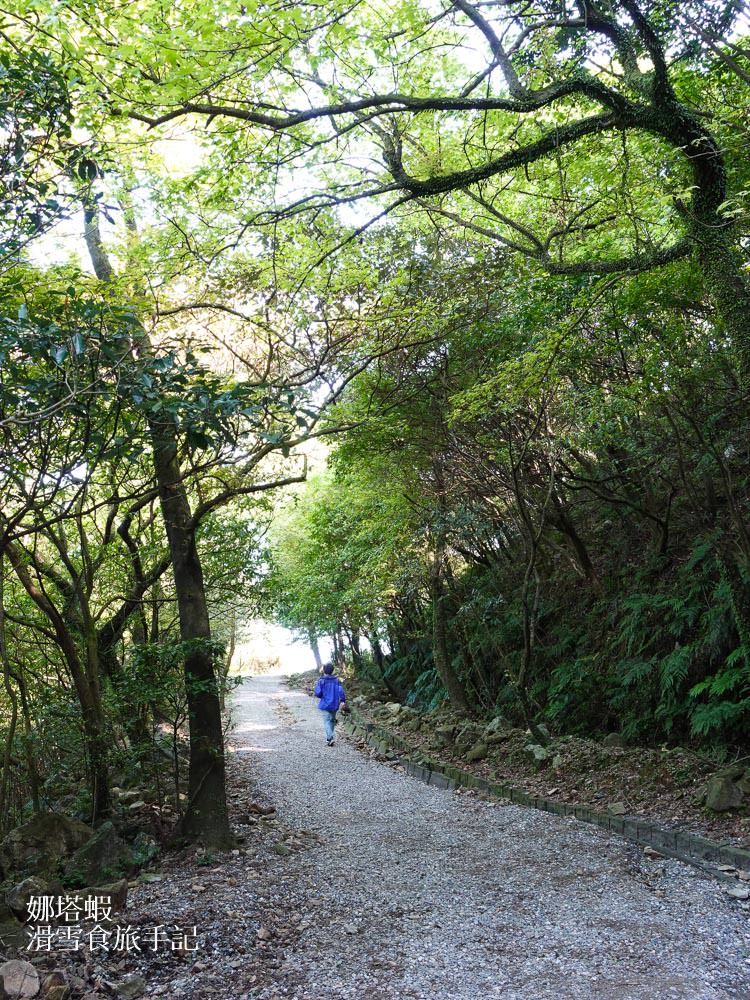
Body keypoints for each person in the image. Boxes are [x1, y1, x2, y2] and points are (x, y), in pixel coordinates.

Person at [314, 662, 347, 746]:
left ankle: (330, 738)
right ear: (332, 671)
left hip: (325, 704)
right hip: (334, 704)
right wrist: (343, 700)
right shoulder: (336, 681)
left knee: (327, 721)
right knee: (331, 720)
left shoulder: (321, 681)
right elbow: (340, 691)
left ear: (324, 671)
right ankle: (330, 737)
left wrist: (320, 694)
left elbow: (318, 693)